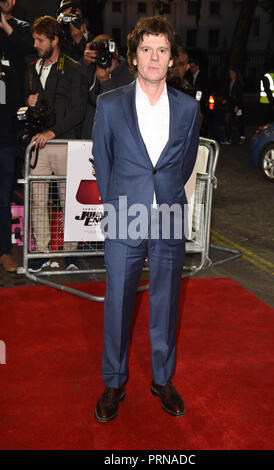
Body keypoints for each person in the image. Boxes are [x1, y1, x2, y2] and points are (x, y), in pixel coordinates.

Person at [92, 15, 200, 422]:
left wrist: (166, 195)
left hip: (169, 214)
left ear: (172, 58)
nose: (154, 57)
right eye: (146, 49)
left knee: (166, 301)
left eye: (162, 50)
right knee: (118, 301)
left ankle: (161, 377)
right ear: (134, 56)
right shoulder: (110, 103)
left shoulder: (189, 109)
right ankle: (114, 381)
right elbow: (103, 161)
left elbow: (184, 163)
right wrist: (117, 203)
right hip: (125, 215)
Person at [25, 16, 87, 272]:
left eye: (41, 40)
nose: (37, 44)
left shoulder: (74, 68)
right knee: (38, 199)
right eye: (35, 40)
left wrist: (53, 132)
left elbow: (79, 110)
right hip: (37, 145)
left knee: (68, 200)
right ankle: (41, 252)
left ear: (54, 40)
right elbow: (29, 108)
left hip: (63, 142)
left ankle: (70, 253)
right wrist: (27, 104)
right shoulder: (32, 68)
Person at [0, 0, 34, 272]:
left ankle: (3, 251)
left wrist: (3, 23)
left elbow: (26, 51)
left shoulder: (20, 30)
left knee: (3, 195)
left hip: (6, 132)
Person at [80, 33, 133, 139]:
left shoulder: (129, 76)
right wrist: (84, 62)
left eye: (106, 53)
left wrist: (105, 82)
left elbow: (121, 111)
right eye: (99, 54)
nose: (103, 57)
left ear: (115, 52)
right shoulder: (90, 69)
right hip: (87, 140)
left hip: (114, 141)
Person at [221, 67, 246, 145]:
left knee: (239, 121)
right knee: (226, 119)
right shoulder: (229, 82)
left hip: (238, 105)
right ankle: (228, 138)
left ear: (235, 74)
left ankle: (242, 137)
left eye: (232, 73)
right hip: (230, 104)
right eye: (230, 73)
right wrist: (225, 99)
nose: (231, 75)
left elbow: (239, 96)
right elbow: (228, 93)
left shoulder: (238, 83)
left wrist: (237, 106)